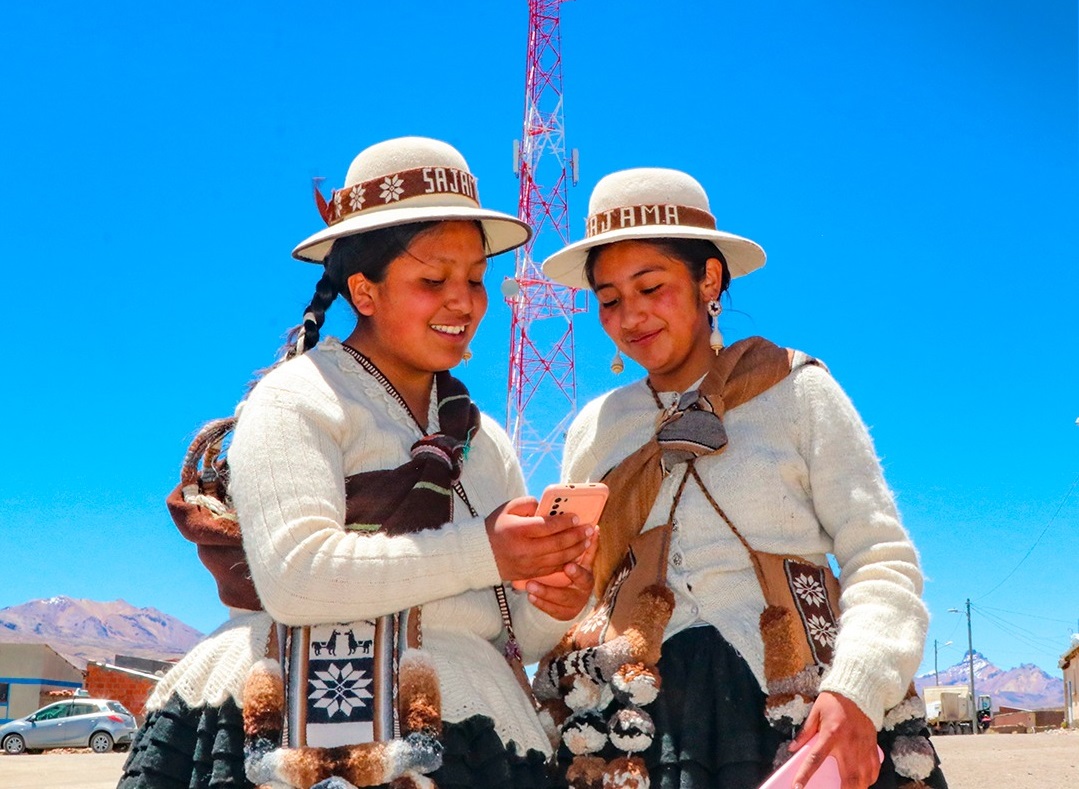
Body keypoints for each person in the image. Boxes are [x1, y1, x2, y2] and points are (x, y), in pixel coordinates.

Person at [119, 137, 596, 789]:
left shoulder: (484, 443)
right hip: (285, 720)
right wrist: (486, 550)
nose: (465, 301)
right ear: (364, 290)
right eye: (433, 280)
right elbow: (294, 577)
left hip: (470, 732)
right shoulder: (297, 399)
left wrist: (555, 596)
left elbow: (520, 633)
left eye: (476, 278)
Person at [534, 168, 946, 789]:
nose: (630, 315)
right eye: (610, 298)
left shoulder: (796, 390)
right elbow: (586, 585)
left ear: (709, 280)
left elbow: (881, 558)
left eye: (652, 286)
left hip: (801, 707)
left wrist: (858, 689)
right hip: (638, 728)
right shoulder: (597, 427)